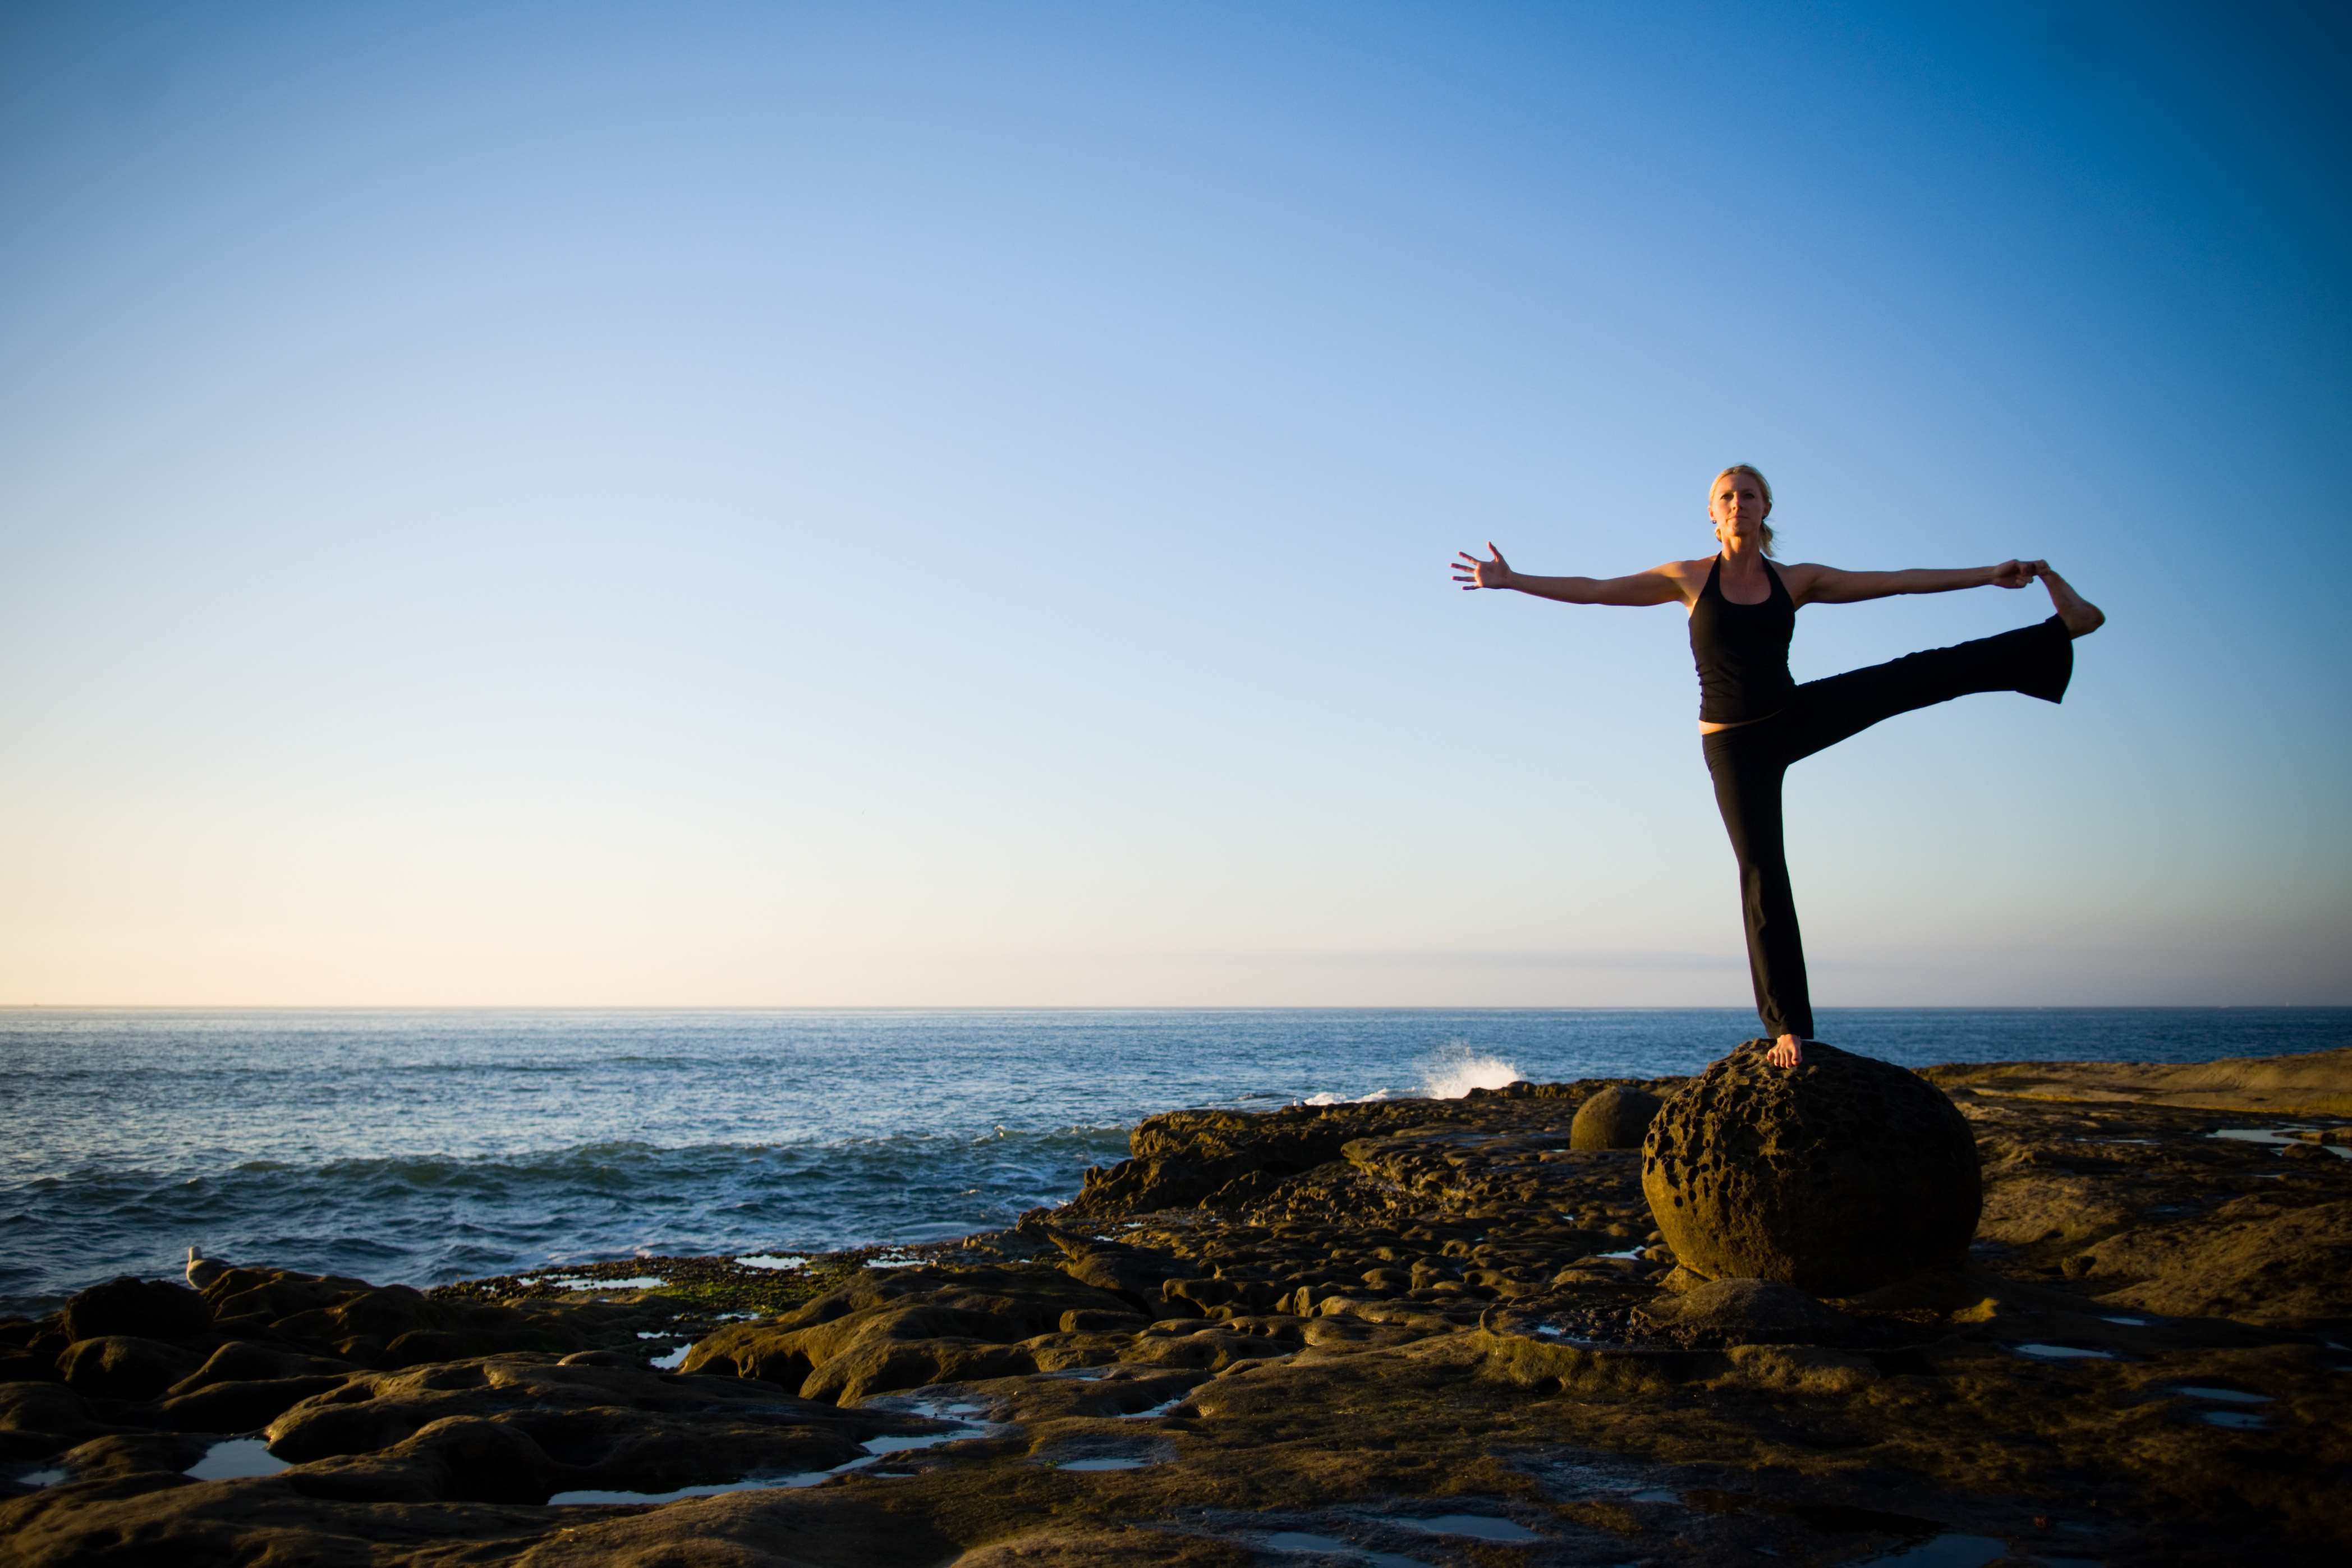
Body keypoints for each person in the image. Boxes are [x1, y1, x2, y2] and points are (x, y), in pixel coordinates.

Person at [1451, 464, 2103, 1070]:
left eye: (1750, 495)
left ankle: (2059, 630)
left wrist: (1986, 573)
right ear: (1713, 514)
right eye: (1727, 497)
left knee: (1914, 674)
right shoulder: (1686, 577)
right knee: (1763, 870)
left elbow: (1898, 580)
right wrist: (1513, 581)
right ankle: (1787, 1026)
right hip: (1734, 746)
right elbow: (1596, 591)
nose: (1739, 504)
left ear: (1766, 510)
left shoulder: (1796, 580)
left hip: (1793, 714)